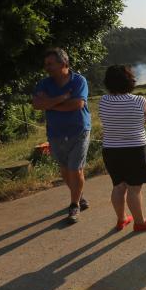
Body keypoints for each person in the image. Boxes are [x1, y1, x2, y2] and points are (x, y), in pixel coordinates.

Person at [98, 65, 146, 232]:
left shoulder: (103, 101)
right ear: (129, 81)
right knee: (134, 188)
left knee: (119, 186)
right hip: (134, 149)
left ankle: (122, 219)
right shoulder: (140, 100)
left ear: (108, 83)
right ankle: (140, 222)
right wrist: (140, 123)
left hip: (111, 150)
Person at [32, 48, 91, 223]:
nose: (46, 67)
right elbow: (36, 104)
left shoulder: (79, 80)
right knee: (65, 170)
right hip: (56, 132)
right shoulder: (44, 83)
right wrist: (63, 97)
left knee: (75, 168)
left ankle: (74, 205)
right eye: (45, 64)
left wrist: (49, 103)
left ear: (63, 63)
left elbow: (77, 104)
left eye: (50, 64)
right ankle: (79, 197)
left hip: (78, 130)